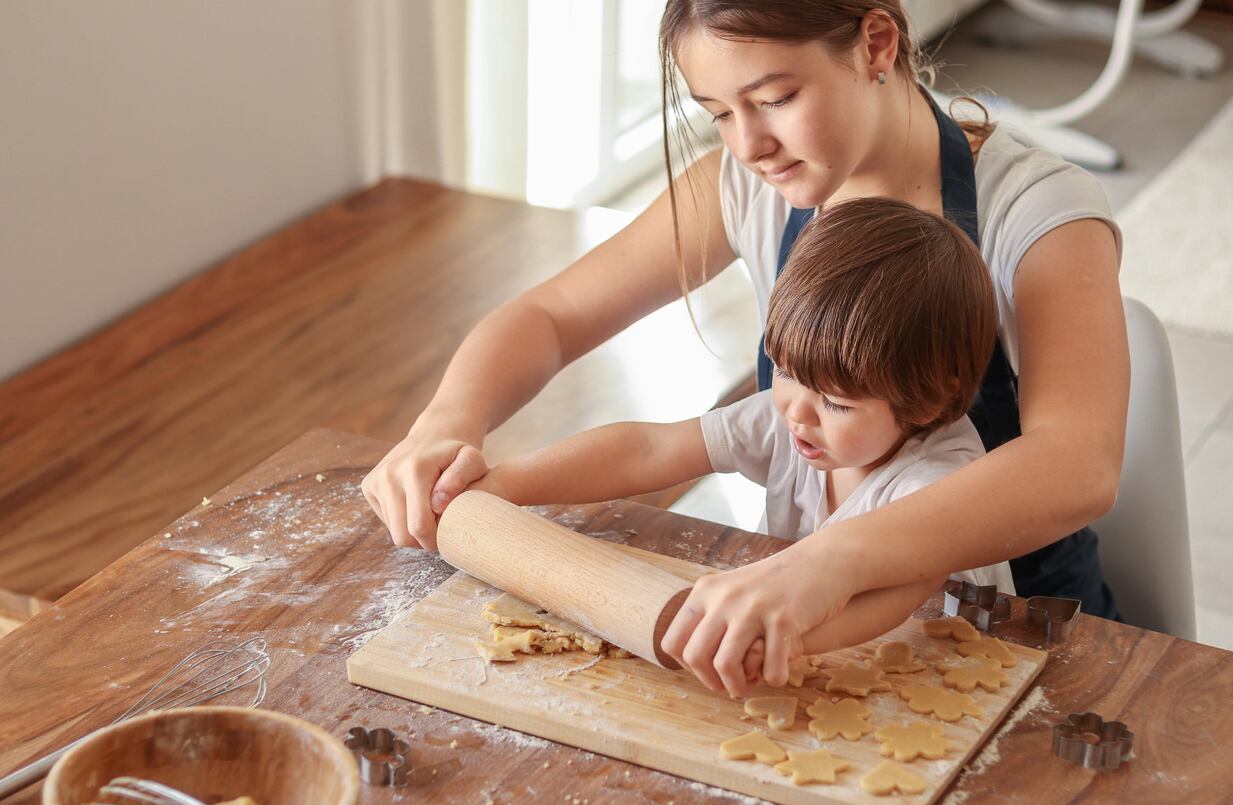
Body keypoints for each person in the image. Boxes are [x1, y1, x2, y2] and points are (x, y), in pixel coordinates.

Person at [361, 1, 1129, 697]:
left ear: (876, 43)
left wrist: (827, 563)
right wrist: (445, 426)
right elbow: (552, 317)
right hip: (820, 637)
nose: (750, 144)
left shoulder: (1036, 212)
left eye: (774, 100)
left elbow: (1077, 463)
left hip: (1025, 632)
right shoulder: (749, 186)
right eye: (718, 113)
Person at [466, 197, 1015, 699]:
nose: (796, 410)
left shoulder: (939, 482)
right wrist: (504, 484)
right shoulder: (795, 417)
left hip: (951, 674)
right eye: (784, 370)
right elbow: (650, 449)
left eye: (837, 403)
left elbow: (893, 599)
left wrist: (770, 641)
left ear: (923, 403)